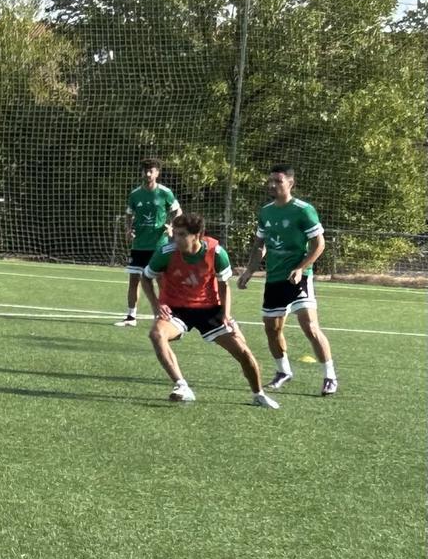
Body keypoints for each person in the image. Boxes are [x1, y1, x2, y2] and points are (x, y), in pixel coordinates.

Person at [141, 213, 279, 408]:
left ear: (197, 235)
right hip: (176, 309)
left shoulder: (216, 252)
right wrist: (157, 305)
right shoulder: (165, 251)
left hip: (209, 309)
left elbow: (224, 285)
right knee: (156, 334)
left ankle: (258, 395)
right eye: (175, 234)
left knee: (243, 351)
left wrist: (226, 314)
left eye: (181, 235)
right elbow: (145, 277)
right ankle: (181, 386)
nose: (176, 239)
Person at [238, 164, 337, 396]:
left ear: (290, 183)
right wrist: (249, 271)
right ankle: (283, 372)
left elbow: (319, 244)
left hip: (299, 279)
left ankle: (329, 376)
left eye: (278, 181)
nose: (272, 185)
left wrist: (302, 267)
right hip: (274, 278)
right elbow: (259, 245)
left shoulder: (304, 210)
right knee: (272, 329)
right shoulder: (266, 212)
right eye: (270, 181)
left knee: (310, 327)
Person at [115, 158, 182, 327]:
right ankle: (131, 317)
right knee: (134, 279)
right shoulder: (135, 194)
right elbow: (129, 213)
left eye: (151, 170)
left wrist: (171, 226)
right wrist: (128, 229)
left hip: (159, 245)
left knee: (160, 279)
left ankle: (164, 315)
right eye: (145, 170)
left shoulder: (165, 193)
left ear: (157, 173)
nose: (148, 174)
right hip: (139, 245)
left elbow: (177, 211)